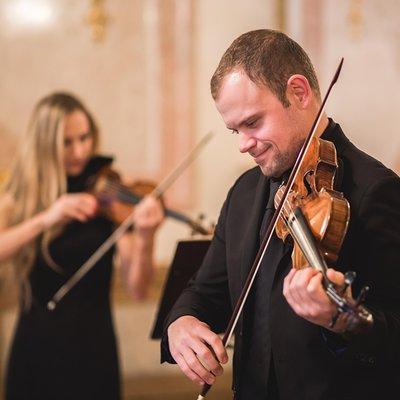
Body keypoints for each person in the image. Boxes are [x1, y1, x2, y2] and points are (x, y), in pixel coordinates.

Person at [161, 29, 400, 400]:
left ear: (299, 92)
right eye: (235, 129)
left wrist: (338, 321)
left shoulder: (375, 190)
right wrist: (181, 322)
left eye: (253, 122)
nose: (243, 144)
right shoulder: (243, 193)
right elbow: (203, 291)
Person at [0, 92, 164, 399]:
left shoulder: (109, 191)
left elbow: (139, 288)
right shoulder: (21, 196)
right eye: (67, 142)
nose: (80, 151)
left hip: (94, 348)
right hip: (36, 348)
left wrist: (146, 237)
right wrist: (48, 218)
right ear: (45, 144)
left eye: (85, 138)